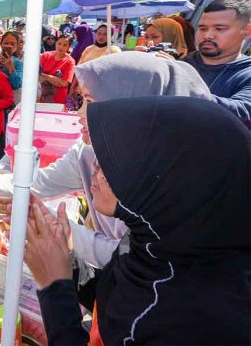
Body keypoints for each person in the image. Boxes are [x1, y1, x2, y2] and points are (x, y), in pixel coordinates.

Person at [0, 52, 211, 269]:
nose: (78, 115)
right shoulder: (89, 153)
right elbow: (34, 185)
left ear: (134, 108)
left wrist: (58, 227)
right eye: (81, 101)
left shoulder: (181, 181)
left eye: (90, 102)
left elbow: (139, 258)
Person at [26, 96, 250, 346]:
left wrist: (55, 287)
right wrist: (65, 259)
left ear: (170, 184)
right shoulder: (157, 240)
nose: (95, 168)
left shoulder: (191, 322)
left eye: (114, 163)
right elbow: (117, 295)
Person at [185, 0, 251, 128]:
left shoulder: (246, 73)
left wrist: (176, 87)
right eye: (203, 28)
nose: (208, 35)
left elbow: (242, 112)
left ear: (247, 31)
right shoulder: (182, 64)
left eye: (219, 29)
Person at [39, 35, 76, 104]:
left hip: (58, 98)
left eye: (65, 45)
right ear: (56, 43)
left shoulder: (70, 61)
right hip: (41, 96)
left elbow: (64, 83)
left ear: (68, 47)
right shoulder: (45, 55)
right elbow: (37, 76)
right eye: (59, 43)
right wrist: (55, 79)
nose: (61, 47)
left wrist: (45, 76)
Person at [0, 31, 23, 104]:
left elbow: (17, 85)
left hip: (9, 101)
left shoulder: (18, 63)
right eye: (6, 43)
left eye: (13, 44)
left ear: (16, 46)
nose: (9, 46)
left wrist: (11, 68)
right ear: (1, 44)